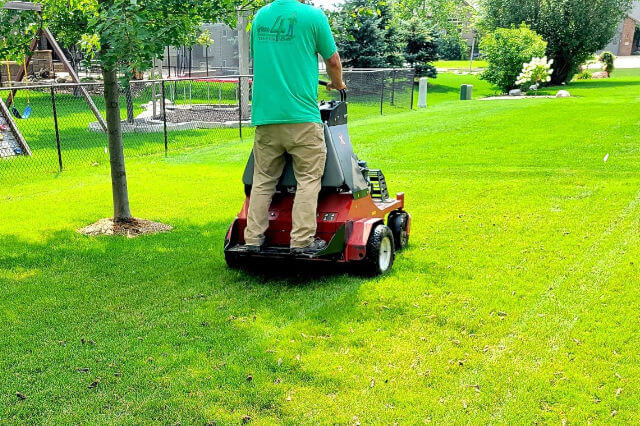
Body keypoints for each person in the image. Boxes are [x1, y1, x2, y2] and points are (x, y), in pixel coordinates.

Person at [244, 0, 346, 255]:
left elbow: (268, 59)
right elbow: (332, 60)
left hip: (266, 117)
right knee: (308, 180)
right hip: (302, 117)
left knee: (263, 181)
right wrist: (338, 84)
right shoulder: (313, 17)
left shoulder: (260, 17)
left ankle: (253, 240)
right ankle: (301, 242)